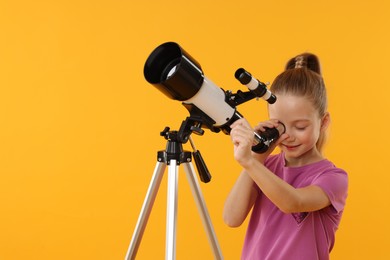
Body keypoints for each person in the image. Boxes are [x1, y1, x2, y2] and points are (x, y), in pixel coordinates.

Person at [223, 53, 348, 260]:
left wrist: (248, 162)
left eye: (300, 126)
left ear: (323, 122)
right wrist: (257, 156)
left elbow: (294, 202)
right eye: (280, 125)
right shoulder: (264, 167)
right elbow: (231, 217)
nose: (288, 136)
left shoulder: (333, 178)